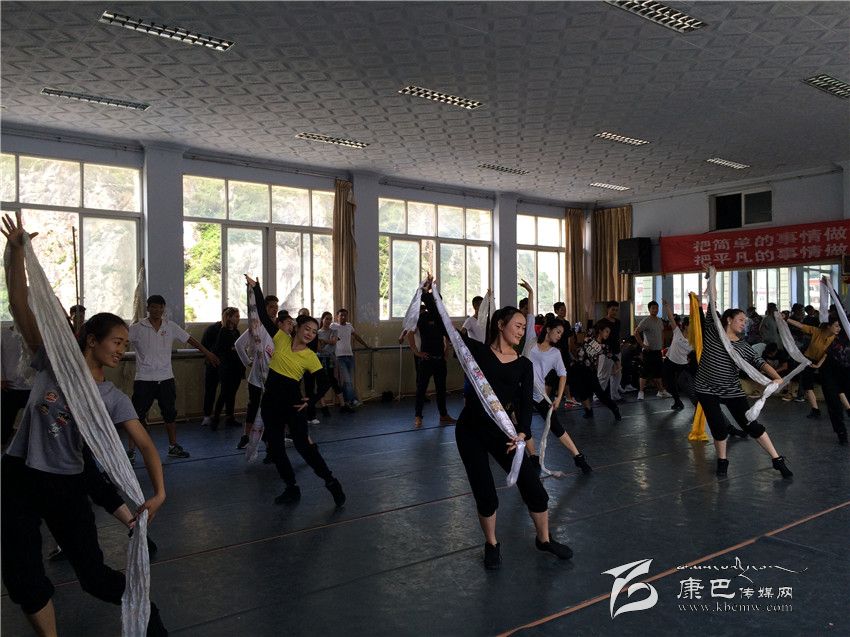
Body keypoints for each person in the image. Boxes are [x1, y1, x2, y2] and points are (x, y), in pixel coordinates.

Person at [1, 211, 168, 635]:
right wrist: (15, 253)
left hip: (67, 485)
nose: (121, 350)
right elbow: (20, 304)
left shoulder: (113, 398)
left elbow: (145, 445)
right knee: (22, 577)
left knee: (94, 578)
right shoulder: (53, 364)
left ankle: (147, 615)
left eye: (125, 344)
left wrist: (159, 492)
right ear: (91, 340)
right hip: (18, 477)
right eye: (117, 342)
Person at [420, 276, 572, 569]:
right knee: (486, 495)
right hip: (471, 431)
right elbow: (448, 330)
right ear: (501, 325)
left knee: (535, 488)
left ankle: (544, 539)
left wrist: (523, 432)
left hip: (504, 433)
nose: (522, 331)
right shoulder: (477, 352)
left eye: (524, 327)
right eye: (517, 325)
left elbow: (525, 403)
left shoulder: (524, 365)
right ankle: (491, 544)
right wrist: (429, 296)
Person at [248, 276, 345, 507]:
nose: (310, 333)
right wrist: (256, 288)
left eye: (314, 331)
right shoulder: (281, 338)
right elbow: (263, 315)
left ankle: (331, 482)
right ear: (298, 328)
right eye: (307, 329)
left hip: (293, 404)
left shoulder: (310, 357)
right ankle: (291, 487)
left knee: (304, 447)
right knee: (276, 448)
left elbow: (325, 383)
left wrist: (310, 401)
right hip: (271, 402)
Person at [694, 268, 792, 478]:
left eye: (745, 321)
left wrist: (777, 377)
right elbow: (712, 302)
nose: (744, 323)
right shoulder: (712, 331)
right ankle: (722, 461)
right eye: (741, 320)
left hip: (731, 390)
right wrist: (713, 276)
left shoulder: (743, 346)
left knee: (751, 425)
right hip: (705, 388)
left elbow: (759, 363)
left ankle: (777, 459)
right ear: (729, 319)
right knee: (718, 427)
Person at [128, 294, 220, 461]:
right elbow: (121, 340)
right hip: (144, 379)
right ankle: (131, 452)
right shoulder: (137, 328)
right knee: (136, 416)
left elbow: (190, 339)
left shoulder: (170, 326)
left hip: (166, 378)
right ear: (148, 308)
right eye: (153, 307)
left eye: (160, 307)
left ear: (163, 309)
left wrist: (207, 353)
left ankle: (173, 446)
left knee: (170, 414)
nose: (157, 310)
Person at [524, 317, 592, 474]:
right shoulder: (531, 341)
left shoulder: (555, 353)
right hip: (522, 392)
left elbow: (563, 374)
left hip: (539, 393)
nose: (560, 336)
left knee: (556, 426)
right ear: (548, 329)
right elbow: (530, 315)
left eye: (562, 333)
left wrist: (559, 397)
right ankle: (533, 456)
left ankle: (578, 457)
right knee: (524, 425)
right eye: (558, 332)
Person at [409, 288, 456, 429]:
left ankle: (443, 415)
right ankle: (418, 416)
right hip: (426, 360)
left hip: (440, 360)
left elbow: (447, 335)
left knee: (441, 389)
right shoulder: (422, 317)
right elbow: (410, 333)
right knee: (421, 389)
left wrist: (446, 349)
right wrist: (417, 352)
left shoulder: (442, 319)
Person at [784, 315, 841, 419]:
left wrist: (818, 365)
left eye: (839, 326)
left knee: (831, 384)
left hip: (825, 362)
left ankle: (843, 408)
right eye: (836, 326)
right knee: (807, 384)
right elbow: (801, 325)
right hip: (809, 359)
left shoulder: (836, 338)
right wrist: (786, 319)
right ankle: (815, 410)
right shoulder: (817, 331)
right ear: (829, 326)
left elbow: (827, 354)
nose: (839, 328)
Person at [201, 307, 243, 429]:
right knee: (220, 392)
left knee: (231, 392)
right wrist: (231, 349)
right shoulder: (219, 330)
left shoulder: (236, 331)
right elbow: (217, 348)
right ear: (228, 317)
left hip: (234, 366)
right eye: (236, 316)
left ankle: (230, 416)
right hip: (222, 366)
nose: (238, 319)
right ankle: (212, 417)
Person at [573, 320, 622, 421]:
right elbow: (591, 325)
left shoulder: (603, 347)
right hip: (578, 368)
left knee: (600, 394)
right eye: (606, 331)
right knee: (582, 392)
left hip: (590, 371)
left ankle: (614, 408)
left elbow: (613, 357)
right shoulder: (590, 337)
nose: (608, 334)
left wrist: (618, 366)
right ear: (600, 331)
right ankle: (588, 411)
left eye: (609, 332)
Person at [331, 308, 371, 412]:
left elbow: (356, 336)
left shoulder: (349, 326)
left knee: (347, 382)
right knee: (348, 381)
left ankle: (347, 402)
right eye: (341, 315)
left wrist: (366, 345)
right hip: (339, 357)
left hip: (349, 356)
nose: (343, 317)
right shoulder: (333, 326)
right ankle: (352, 400)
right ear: (337, 316)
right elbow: (326, 333)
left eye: (345, 315)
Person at [2, 323, 32, 445]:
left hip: (31, 386)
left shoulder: (33, 335)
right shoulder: (4, 334)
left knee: (32, 421)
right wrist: (1, 378)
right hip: (9, 386)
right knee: (5, 421)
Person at [634, 301, 670, 400]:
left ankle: (661, 391)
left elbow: (662, 332)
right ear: (649, 309)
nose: (655, 310)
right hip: (648, 352)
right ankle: (641, 392)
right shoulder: (646, 320)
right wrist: (643, 345)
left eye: (656, 308)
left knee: (658, 373)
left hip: (657, 351)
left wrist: (662, 344)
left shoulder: (659, 321)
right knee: (644, 372)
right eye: (653, 308)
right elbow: (636, 332)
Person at [662, 299, 693, 411]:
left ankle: (697, 405)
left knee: (686, 387)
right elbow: (671, 319)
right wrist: (667, 307)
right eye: (690, 326)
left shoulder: (694, 341)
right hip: (669, 361)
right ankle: (677, 402)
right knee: (670, 385)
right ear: (685, 326)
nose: (692, 328)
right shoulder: (677, 332)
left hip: (682, 365)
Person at [316, 312, 343, 415]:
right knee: (320, 382)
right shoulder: (317, 332)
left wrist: (323, 341)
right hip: (319, 359)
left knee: (333, 380)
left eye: (330, 319)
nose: (328, 321)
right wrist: (325, 342)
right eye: (326, 318)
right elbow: (318, 348)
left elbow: (334, 342)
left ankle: (343, 404)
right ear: (322, 319)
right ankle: (324, 406)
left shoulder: (334, 331)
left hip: (330, 359)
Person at [600, 301, 623, 399]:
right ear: (608, 309)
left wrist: (620, 345)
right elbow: (598, 338)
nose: (615, 312)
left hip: (616, 351)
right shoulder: (602, 322)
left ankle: (614, 394)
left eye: (616, 310)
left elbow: (617, 335)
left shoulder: (618, 322)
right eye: (613, 309)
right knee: (603, 375)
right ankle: (598, 396)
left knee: (617, 374)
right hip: (606, 352)